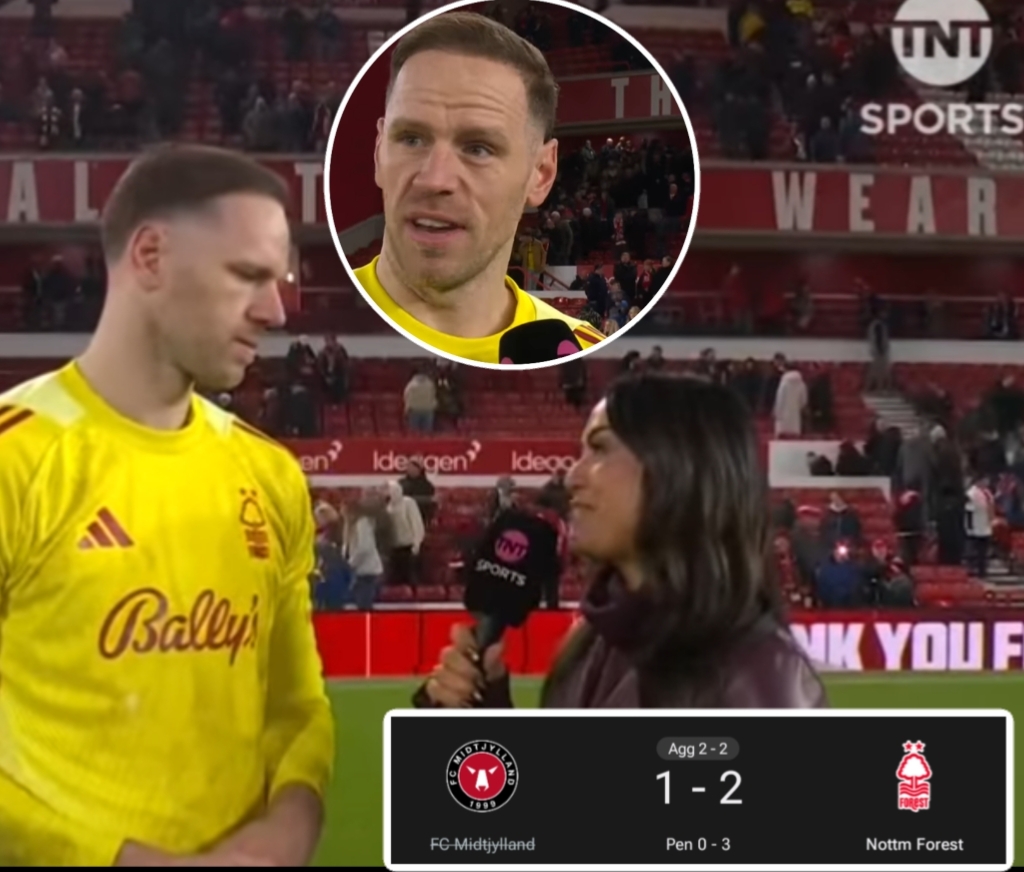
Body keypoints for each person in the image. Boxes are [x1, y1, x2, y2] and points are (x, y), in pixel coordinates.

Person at [0, 145, 334, 866]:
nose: (277, 309)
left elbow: (296, 703)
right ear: (150, 256)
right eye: (247, 275)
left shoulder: (269, 474)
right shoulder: (15, 461)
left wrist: (287, 828)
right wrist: (120, 860)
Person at [422, 373, 827, 709]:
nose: (572, 477)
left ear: (678, 469)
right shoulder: (591, 641)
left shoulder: (760, 676)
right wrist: (487, 711)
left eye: (600, 448)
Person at [352, 11, 604, 363]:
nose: (434, 180)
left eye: (478, 149)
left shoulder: (585, 358)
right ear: (379, 151)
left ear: (541, 173)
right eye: (411, 139)